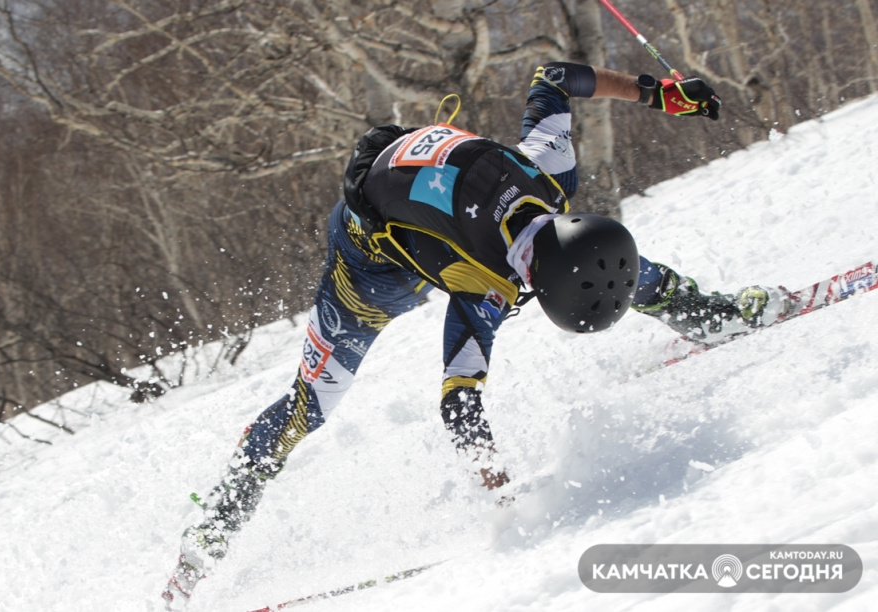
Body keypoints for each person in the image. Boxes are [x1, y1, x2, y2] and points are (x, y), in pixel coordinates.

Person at [162, 61, 788, 607]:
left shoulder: (550, 174)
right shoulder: (484, 285)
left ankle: (707, 313)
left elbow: (554, 79)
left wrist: (656, 92)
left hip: (420, 210)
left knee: (612, 272)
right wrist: (503, 499)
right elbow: (458, 400)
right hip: (368, 273)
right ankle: (210, 533)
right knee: (310, 406)